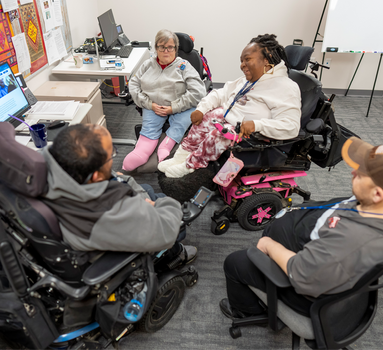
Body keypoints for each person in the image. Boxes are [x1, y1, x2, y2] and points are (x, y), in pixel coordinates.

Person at [220, 137, 383, 319]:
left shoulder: (352, 240)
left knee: (235, 262)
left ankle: (246, 311)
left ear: (378, 194)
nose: (353, 172)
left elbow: (302, 275)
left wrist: (269, 245)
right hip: (309, 241)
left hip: (303, 284)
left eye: (360, 174)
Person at [41, 124, 197, 269]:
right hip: (114, 243)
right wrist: (162, 205)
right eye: (112, 154)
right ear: (95, 176)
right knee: (178, 225)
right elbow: (166, 230)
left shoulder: (49, 165)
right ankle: (175, 255)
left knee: (147, 188)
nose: (113, 158)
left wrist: (125, 182)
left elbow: (112, 178)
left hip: (99, 214)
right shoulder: (108, 212)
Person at [158, 33, 301, 178]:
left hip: (251, 135)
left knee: (220, 134)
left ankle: (190, 165)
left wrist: (257, 125)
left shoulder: (285, 87)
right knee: (207, 117)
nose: (242, 65)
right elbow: (221, 93)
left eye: (247, 60)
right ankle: (180, 157)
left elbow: (291, 126)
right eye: (241, 61)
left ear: (266, 59)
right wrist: (202, 109)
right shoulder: (250, 79)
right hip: (232, 120)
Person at [123, 29, 206, 171]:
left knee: (184, 120)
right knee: (149, 129)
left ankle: (167, 145)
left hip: (181, 106)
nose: (166, 51)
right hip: (153, 106)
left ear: (176, 49)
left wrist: (174, 107)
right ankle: (141, 151)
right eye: (162, 47)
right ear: (156, 48)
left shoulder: (184, 66)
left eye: (170, 47)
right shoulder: (148, 64)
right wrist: (149, 104)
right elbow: (133, 85)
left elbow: (199, 91)